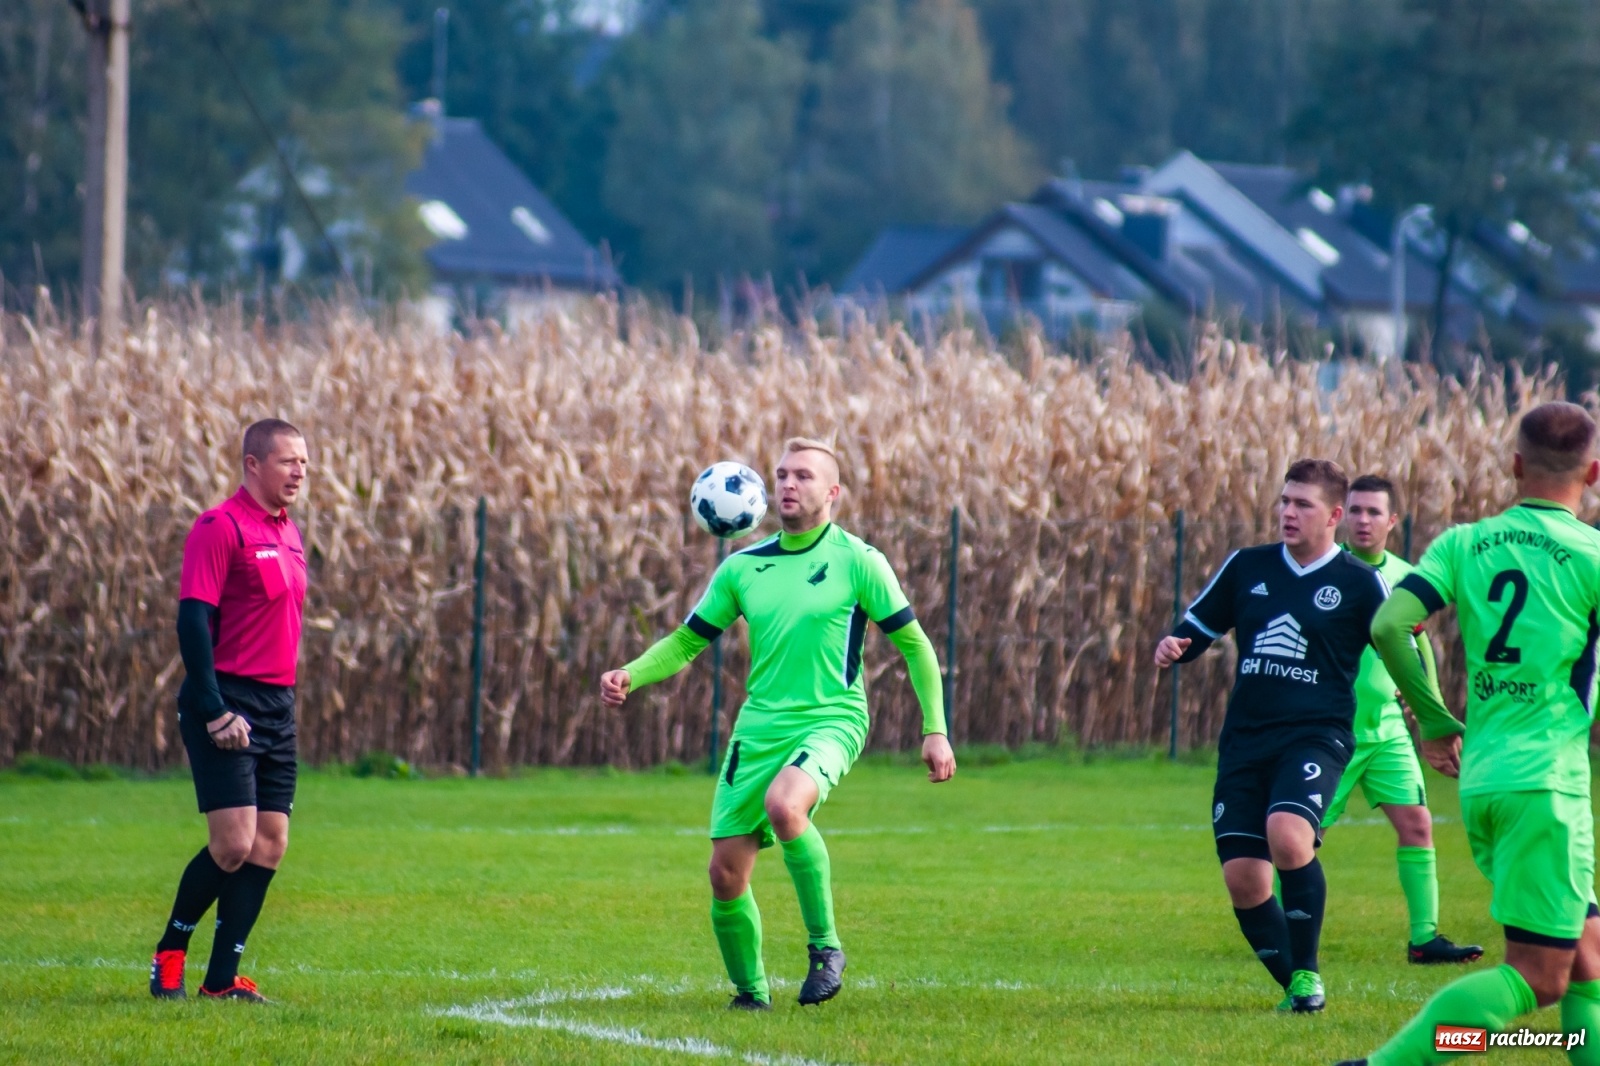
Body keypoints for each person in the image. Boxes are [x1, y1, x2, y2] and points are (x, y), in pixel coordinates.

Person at [600, 438, 956, 1010]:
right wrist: (631, 673)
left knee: (785, 807)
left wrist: (934, 728)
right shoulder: (743, 568)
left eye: (804, 476)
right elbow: (688, 641)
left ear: (832, 492)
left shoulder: (859, 561)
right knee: (724, 874)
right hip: (759, 727)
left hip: (832, 717)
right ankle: (751, 996)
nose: (789, 483)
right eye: (783, 474)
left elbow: (915, 645)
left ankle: (825, 948)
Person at [1336, 403, 1600, 1066]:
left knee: (1590, 961)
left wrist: (1432, 720)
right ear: (1594, 472)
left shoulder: (1463, 543)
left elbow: (1389, 625)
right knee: (1539, 977)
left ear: (1514, 465)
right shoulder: (1592, 555)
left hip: (1484, 778)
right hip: (1547, 787)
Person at [1153, 459, 1389, 1013]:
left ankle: (1307, 976)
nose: (1288, 512)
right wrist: (1176, 645)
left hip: (1316, 735)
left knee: (1287, 833)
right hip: (1245, 740)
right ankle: (1298, 989)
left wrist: (1422, 701)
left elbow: (1398, 642)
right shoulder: (1248, 565)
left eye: (1303, 504)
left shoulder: (1359, 582)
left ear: (1332, 515)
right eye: (1284, 501)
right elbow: (1199, 625)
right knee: (1244, 880)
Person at [149, 419, 309, 1003]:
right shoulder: (220, 527)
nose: (299, 472)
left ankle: (221, 981)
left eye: (304, 463)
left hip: (276, 704)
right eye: (288, 461)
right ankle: (170, 953)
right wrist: (214, 708)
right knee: (233, 844)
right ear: (253, 464)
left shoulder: (289, 532)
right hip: (225, 699)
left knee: (270, 843)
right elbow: (193, 620)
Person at [1322, 474, 1481, 964]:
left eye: (1374, 512)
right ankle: (1288, 929)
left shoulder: (1407, 577)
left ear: (1393, 520)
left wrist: (1427, 704)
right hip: (1330, 730)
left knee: (1416, 824)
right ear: (1341, 515)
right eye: (1355, 510)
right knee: (1300, 836)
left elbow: (1418, 642)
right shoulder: (1326, 569)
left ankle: (1424, 938)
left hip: (1387, 729)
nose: (1363, 520)